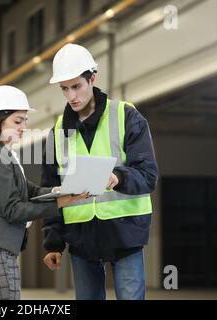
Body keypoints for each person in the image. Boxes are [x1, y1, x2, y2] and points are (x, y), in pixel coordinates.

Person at [41, 44, 158, 300]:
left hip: (125, 231)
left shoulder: (126, 116)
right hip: (81, 237)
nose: (71, 96)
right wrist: (54, 243)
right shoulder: (57, 133)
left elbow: (148, 175)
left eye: (76, 86)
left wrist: (118, 177)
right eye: (64, 88)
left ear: (92, 78)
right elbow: (52, 190)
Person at [0, 85, 87, 300]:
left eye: (25, 120)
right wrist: (60, 203)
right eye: (18, 121)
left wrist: (59, 190)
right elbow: (13, 210)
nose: (24, 127)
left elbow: (29, 191)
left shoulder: (5, 155)